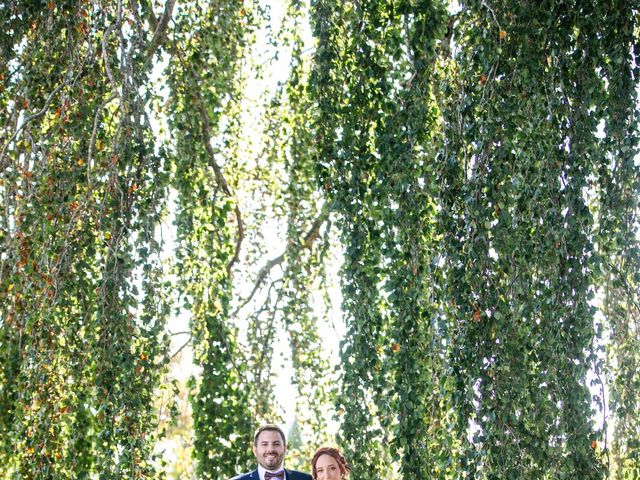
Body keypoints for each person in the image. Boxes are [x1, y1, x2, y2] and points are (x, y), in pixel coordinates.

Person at [231, 424, 312, 480]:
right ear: (255, 450)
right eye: (264, 444)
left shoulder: (306, 479)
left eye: (276, 444)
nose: (270, 449)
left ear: (284, 449)